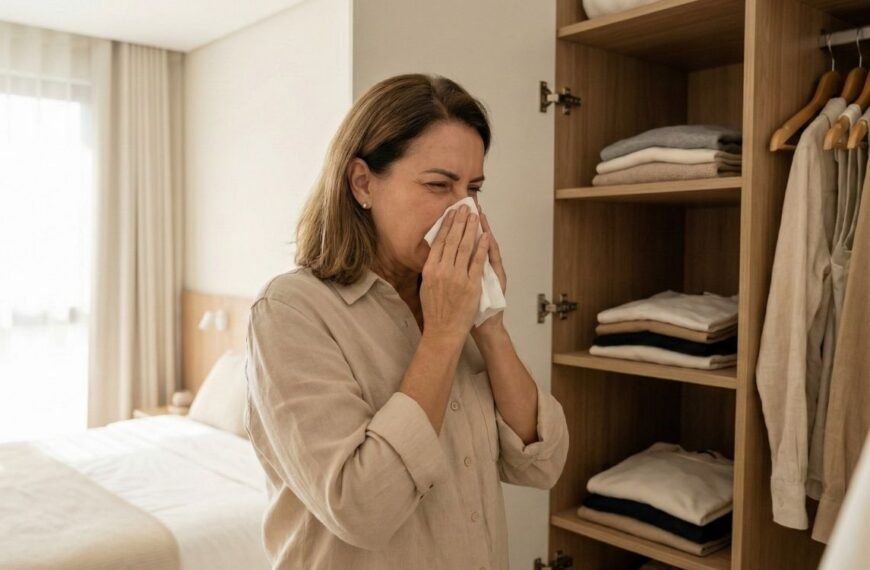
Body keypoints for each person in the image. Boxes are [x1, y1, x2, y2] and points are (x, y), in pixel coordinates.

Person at [244, 73, 569, 570]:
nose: (464, 210)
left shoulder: (453, 298)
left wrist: (490, 325)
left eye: (474, 189)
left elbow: (541, 465)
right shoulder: (291, 312)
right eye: (439, 185)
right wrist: (442, 335)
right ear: (362, 183)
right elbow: (363, 508)